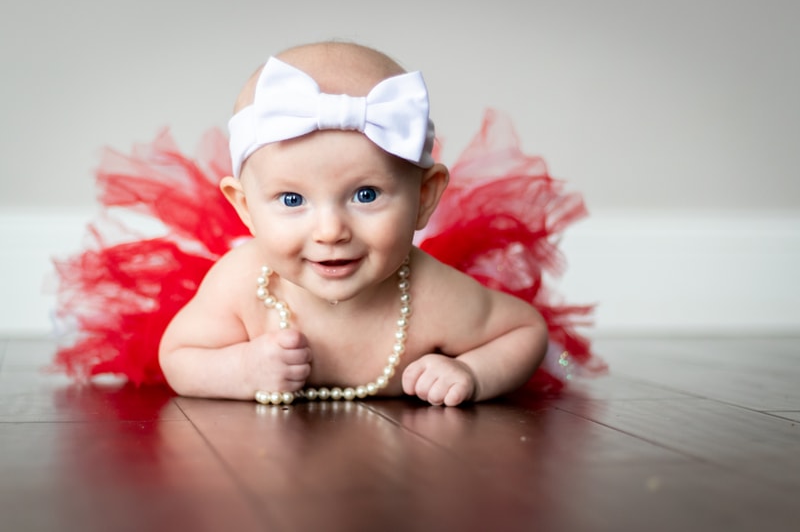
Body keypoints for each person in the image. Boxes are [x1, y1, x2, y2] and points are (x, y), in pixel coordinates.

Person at [52, 41, 601, 404]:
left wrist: (474, 374)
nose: (330, 230)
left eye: (365, 194)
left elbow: (524, 330)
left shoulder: (435, 294)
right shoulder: (242, 282)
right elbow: (179, 357)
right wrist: (241, 371)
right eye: (291, 200)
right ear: (244, 207)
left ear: (425, 197)